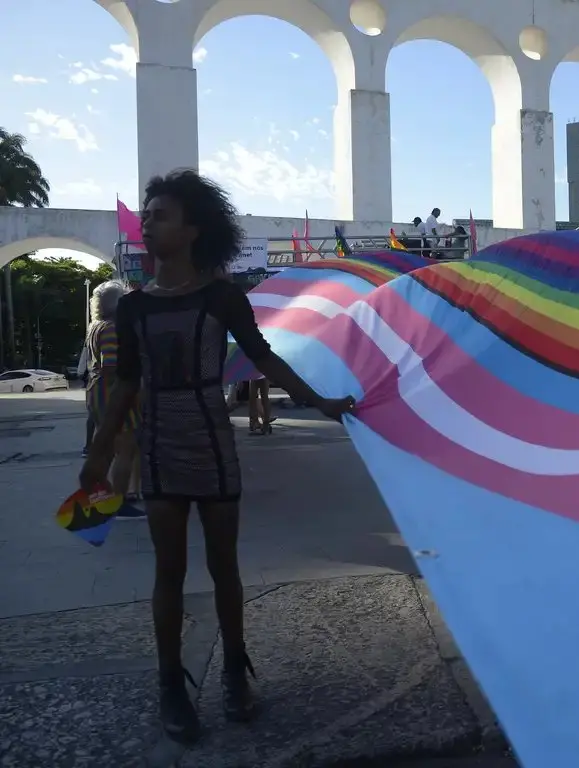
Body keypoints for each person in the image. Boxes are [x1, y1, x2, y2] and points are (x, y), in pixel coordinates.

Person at [80, 169, 356, 745]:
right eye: (146, 215)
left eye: (160, 215)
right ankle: (170, 685)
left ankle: (234, 670)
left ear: (194, 229)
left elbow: (264, 358)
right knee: (169, 572)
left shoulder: (223, 297)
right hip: (158, 449)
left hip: (212, 446)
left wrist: (321, 402)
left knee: (224, 566)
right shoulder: (132, 308)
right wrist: (99, 457)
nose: (148, 224)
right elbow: (125, 385)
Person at [84, 281, 140, 496]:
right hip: (111, 394)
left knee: (108, 449)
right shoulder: (110, 328)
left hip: (97, 393)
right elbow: (110, 366)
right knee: (125, 449)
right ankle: (119, 500)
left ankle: (101, 496)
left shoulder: (95, 326)